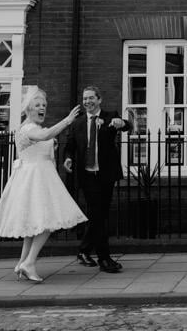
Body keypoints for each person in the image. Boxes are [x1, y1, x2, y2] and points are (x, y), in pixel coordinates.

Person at [0, 88, 85, 283]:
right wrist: (67, 121)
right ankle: (29, 262)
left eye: (44, 106)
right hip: (35, 179)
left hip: (40, 176)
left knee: (36, 223)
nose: (42, 108)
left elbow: (44, 141)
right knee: (47, 221)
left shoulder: (33, 128)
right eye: (37, 106)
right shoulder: (28, 128)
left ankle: (23, 262)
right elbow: (45, 136)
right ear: (28, 110)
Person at [63, 86, 131, 274]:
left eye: (91, 98)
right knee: (98, 214)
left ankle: (84, 251)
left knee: (99, 215)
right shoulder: (77, 123)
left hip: (105, 174)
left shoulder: (110, 116)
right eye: (85, 99)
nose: (87, 102)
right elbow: (70, 146)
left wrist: (121, 122)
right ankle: (104, 258)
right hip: (87, 175)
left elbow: (127, 125)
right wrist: (68, 158)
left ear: (99, 100)